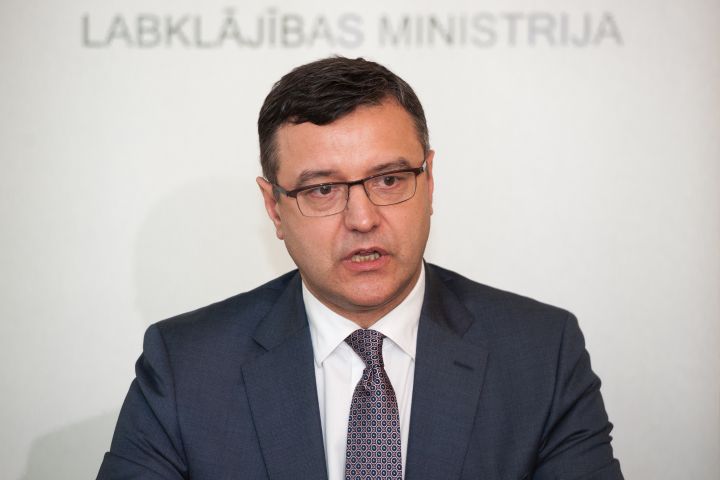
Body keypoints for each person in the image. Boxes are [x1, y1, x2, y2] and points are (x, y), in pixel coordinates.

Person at [97, 56, 623, 480]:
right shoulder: (187, 366)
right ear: (274, 208)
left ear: (429, 182)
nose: (363, 219)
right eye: (323, 189)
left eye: (389, 180)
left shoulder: (540, 353)